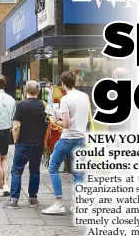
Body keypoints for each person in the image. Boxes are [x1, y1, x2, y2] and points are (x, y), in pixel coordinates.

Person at [43, 71, 89, 215]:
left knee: (53, 167)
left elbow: (67, 123)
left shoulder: (65, 99)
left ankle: (58, 202)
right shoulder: (85, 96)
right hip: (81, 137)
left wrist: (55, 120)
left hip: (68, 138)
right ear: (74, 82)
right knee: (78, 172)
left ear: (63, 84)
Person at [1, 80, 48, 209]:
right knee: (34, 171)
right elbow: (47, 124)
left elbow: (16, 126)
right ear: (38, 92)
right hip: (37, 143)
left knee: (17, 171)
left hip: (23, 142)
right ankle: (33, 198)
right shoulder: (43, 105)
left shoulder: (21, 105)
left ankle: (14, 200)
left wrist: (16, 141)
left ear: (25, 90)